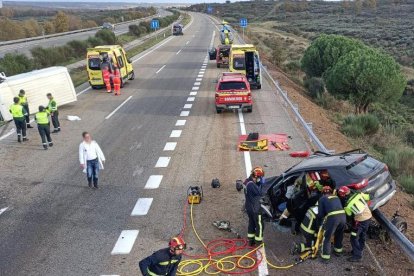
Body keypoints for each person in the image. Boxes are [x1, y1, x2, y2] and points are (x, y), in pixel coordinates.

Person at [338, 186, 372, 263]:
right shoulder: (358, 194)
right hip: (368, 217)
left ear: (343, 195)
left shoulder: (347, 205)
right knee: (362, 235)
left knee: (353, 237)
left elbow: (349, 216)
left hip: (360, 221)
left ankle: (357, 255)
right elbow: (369, 196)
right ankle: (359, 249)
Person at [316, 186, 346, 262]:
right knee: (339, 234)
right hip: (343, 216)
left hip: (333, 218)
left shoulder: (322, 199)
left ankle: (325, 257)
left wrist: (319, 223)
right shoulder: (336, 197)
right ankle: (338, 251)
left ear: (322, 193)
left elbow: (320, 214)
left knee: (327, 237)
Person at [244, 166, 265, 246]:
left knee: (251, 222)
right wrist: (261, 184)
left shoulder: (247, 182)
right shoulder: (252, 185)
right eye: (261, 177)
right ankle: (258, 242)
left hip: (248, 207)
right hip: (255, 208)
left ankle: (251, 240)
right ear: (257, 177)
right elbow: (260, 193)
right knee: (259, 224)